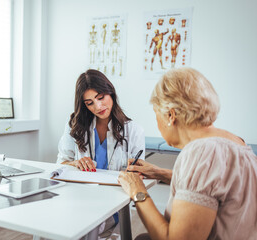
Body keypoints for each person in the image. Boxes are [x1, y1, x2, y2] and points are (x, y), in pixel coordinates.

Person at [119, 67, 257, 240]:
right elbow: (213, 187)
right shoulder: (236, 142)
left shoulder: (202, 152)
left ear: (170, 115)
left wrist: (137, 191)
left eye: (156, 114)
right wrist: (158, 172)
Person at [57, 69, 145, 236]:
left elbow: (138, 176)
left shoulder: (134, 131)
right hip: (80, 203)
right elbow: (59, 165)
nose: (98, 107)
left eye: (101, 97)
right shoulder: (74, 127)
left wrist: (134, 174)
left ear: (110, 92)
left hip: (114, 207)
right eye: (90, 103)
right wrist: (74, 163)